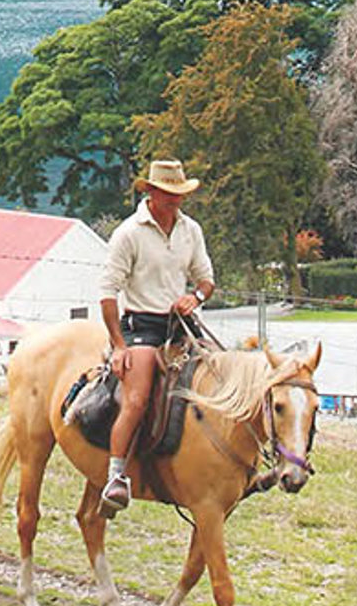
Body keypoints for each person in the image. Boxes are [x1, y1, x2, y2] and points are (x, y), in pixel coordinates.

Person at [96, 159, 216, 514]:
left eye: (180, 194)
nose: (176, 201)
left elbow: (206, 279)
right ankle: (116, 476)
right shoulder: (128, 233)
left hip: (181, 325)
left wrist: (195, 297)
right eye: (169, 194)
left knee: (220, 375)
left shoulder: (190, 230)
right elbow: (108, 292)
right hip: (141, 327)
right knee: (137, 397)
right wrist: (119, 345)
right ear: (150, 192)